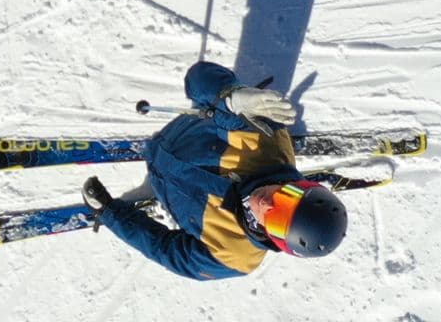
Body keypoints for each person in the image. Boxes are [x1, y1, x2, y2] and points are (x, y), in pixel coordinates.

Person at [80, 60, 348, 280]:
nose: (268, 204)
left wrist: (110, 213)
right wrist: (230, 97)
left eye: (277, 220)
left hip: (164, 184)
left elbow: (166, 249)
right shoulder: (263, 139)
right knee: (224, 109)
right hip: (176, 132)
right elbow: (197, 78)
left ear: (276, 241)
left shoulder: (235, 256)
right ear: (298, 185)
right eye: (286, 198)